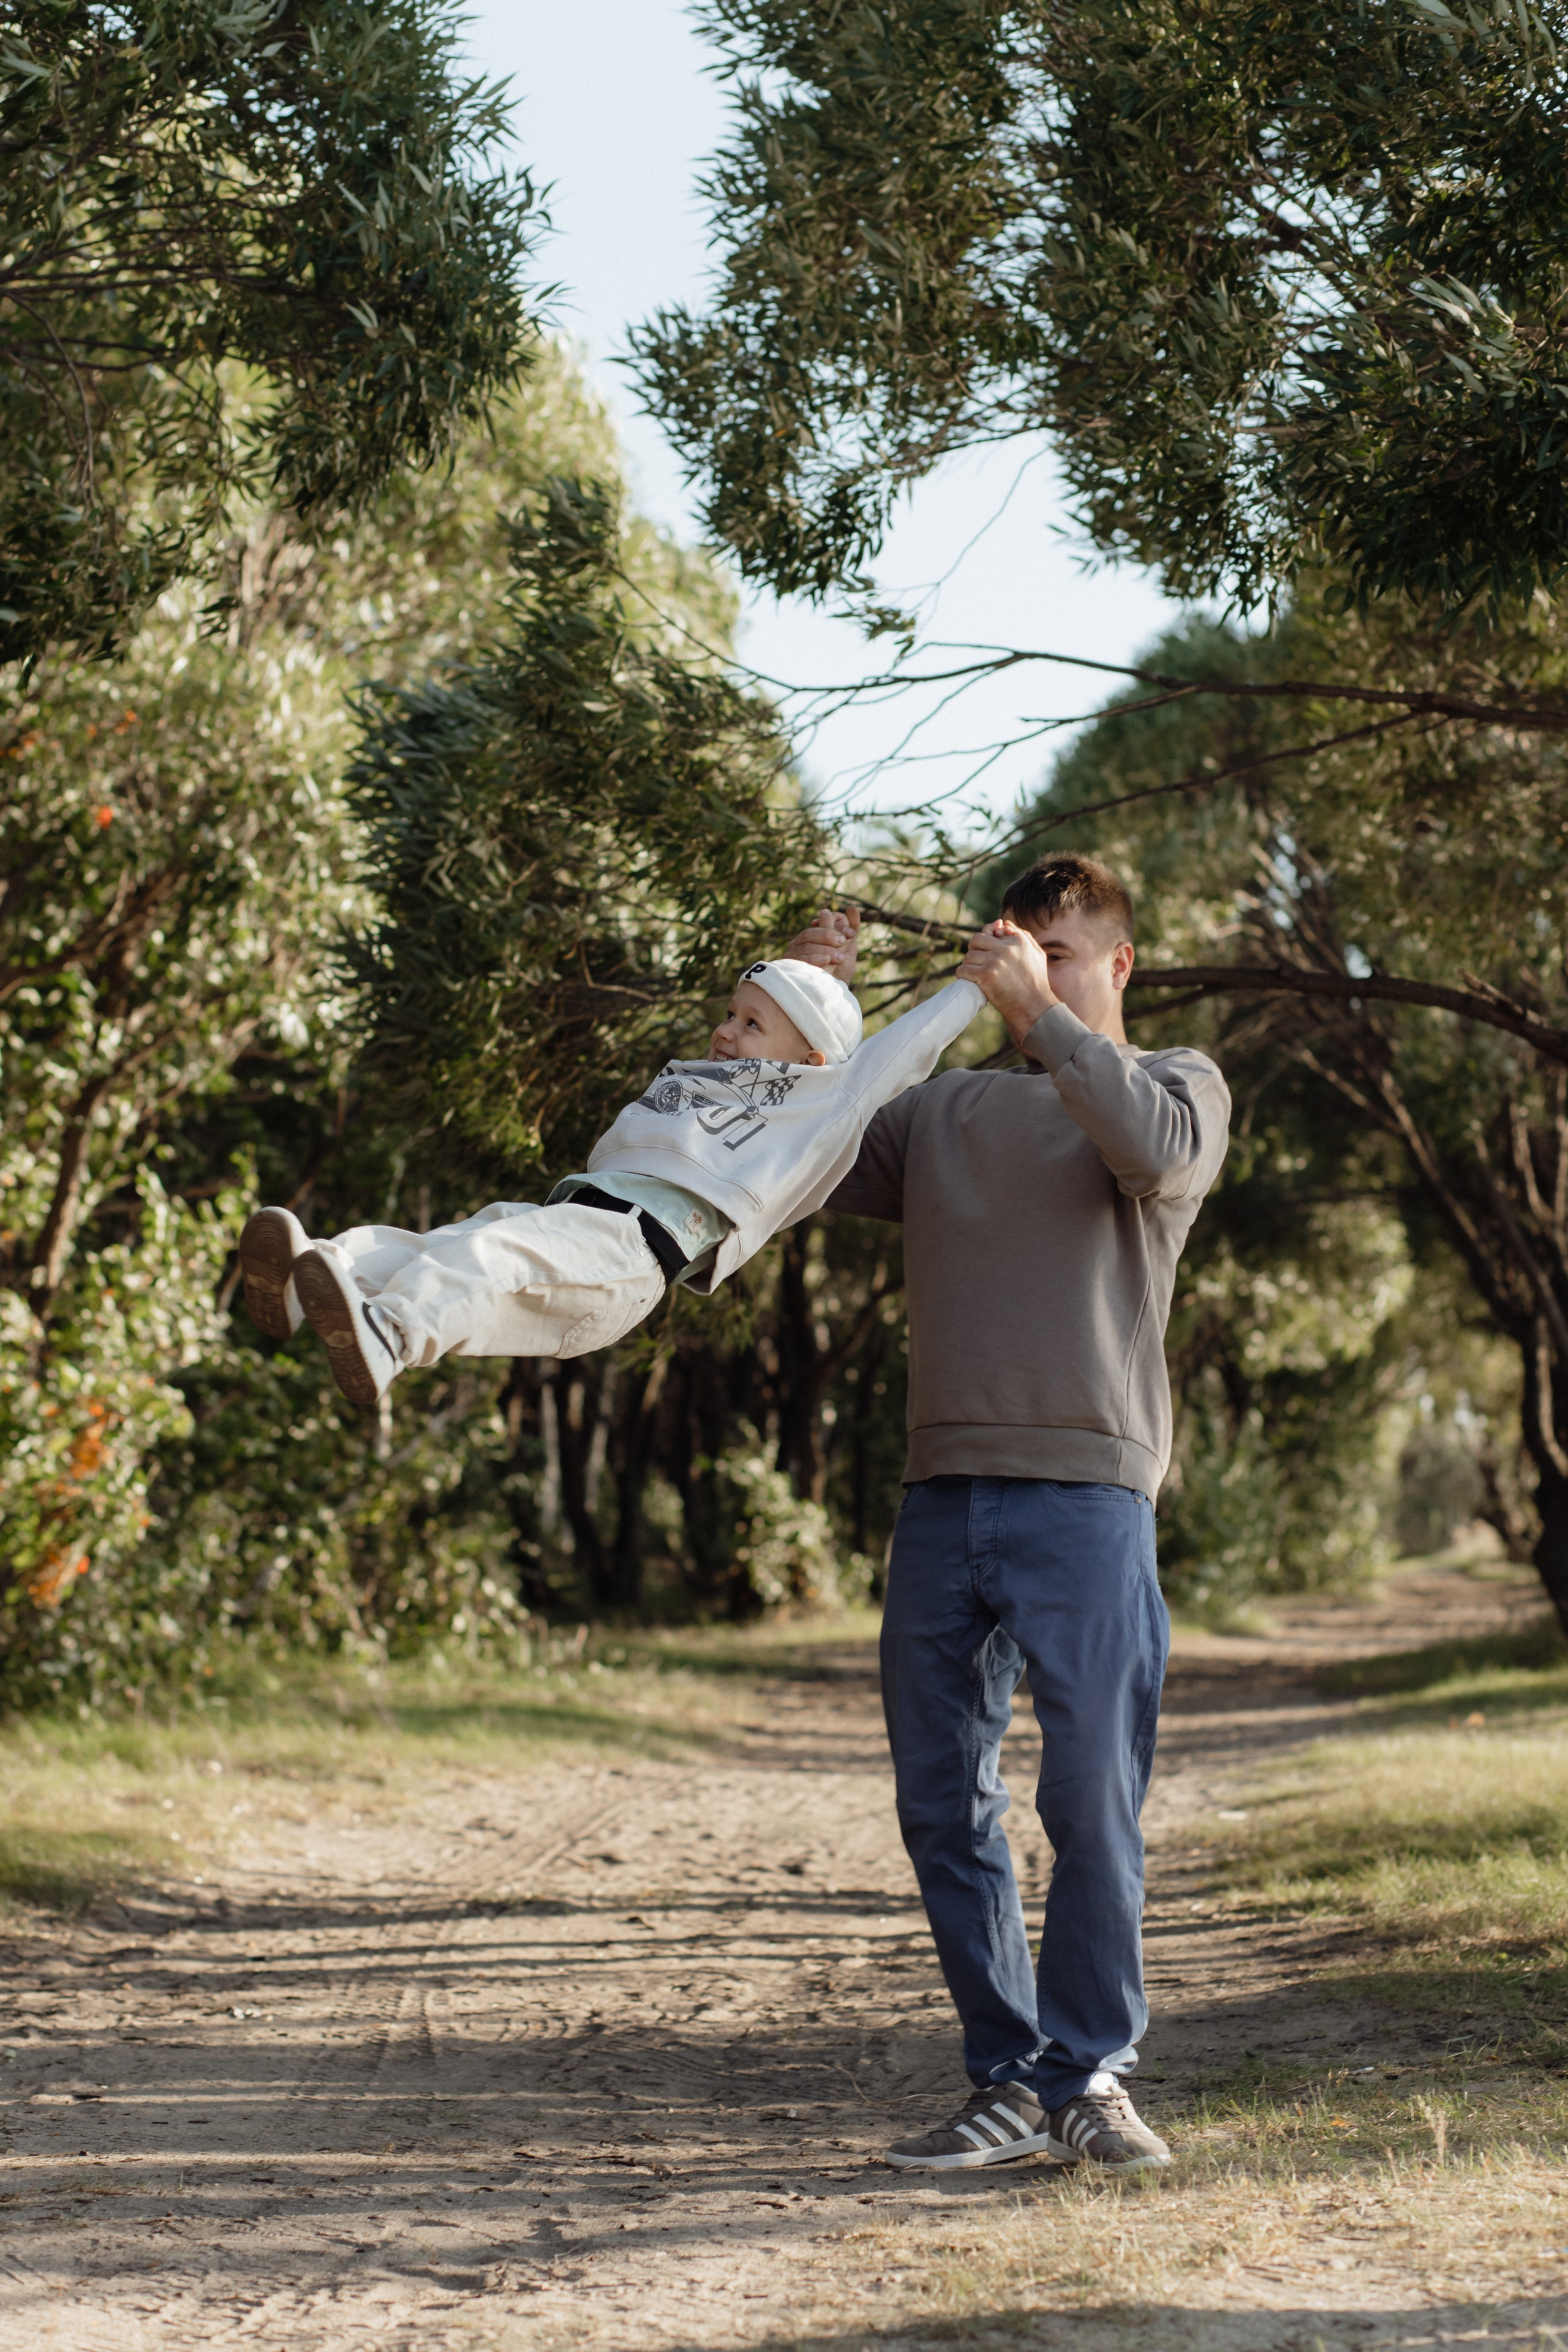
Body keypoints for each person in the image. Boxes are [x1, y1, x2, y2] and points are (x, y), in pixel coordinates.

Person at [789, 854, 1231, 2175]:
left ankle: (1090, 2074)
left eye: (1064, 954)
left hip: (1089, 1498)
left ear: (1119, 965)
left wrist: (1039, 1015)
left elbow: (1148, 1157)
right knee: (943, 1805)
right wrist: (810, 1008)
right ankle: (1003, 2080)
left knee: (1090, 1804)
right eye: (1018, 954)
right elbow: (792, 1157)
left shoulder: (1176, 1088)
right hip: (939, 1494)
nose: (1033, 975)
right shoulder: (944, 1115)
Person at [237, 933, 984, 1406]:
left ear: (814, 1063)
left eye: (750, 1024)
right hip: (579, 1226)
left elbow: (896, 1054)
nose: (725, 1031)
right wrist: (797, 967)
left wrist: (976, 983)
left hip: (630, 1254)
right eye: (730, 1013)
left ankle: (391, 1336)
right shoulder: (712, 1076)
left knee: (490, 1252)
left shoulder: (816, 1113)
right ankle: (314, 1277)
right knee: (447, 1244)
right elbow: (790, 1009)